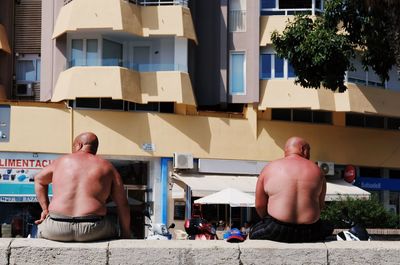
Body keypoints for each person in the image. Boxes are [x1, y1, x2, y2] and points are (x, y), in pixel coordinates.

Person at [34, 132, 131, 242]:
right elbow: (123, 204)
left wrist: (45, 210)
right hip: (94, 229)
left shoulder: (61, 161)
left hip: (56, 228)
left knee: (37, 230)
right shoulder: (107, 166)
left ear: (79, 145)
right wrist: (126, 234)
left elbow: (39, 180)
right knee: (113, 228)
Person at [249, 136, 333, 242]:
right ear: (303, 149)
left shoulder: (269, 168)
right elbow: (320, 205)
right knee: (328, 226)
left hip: (276, 229)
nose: (309, 155)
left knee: (253, 231)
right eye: (309, 151)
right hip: (311, 231)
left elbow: (260, 205)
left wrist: (269, 219)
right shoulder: (318, 171)